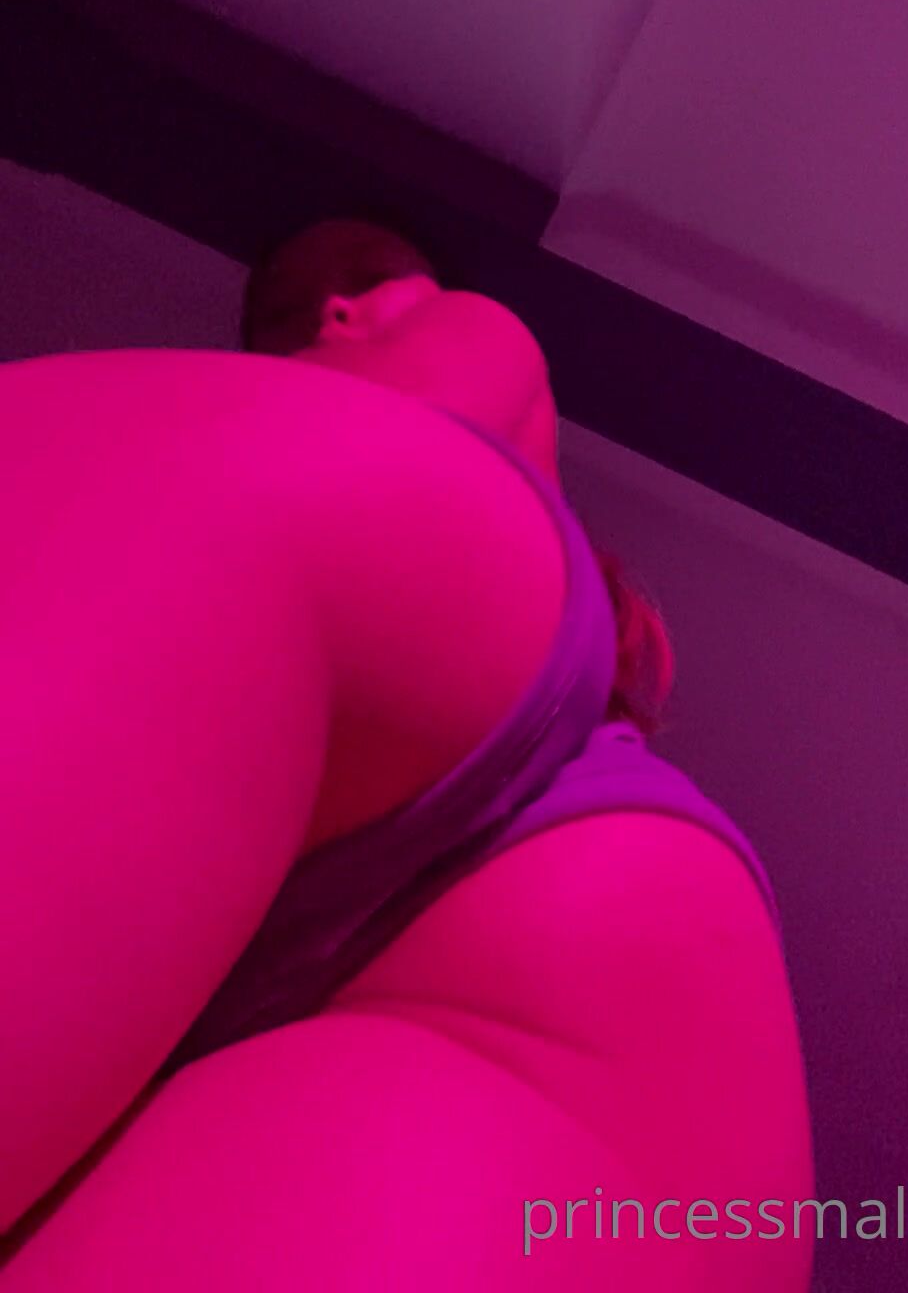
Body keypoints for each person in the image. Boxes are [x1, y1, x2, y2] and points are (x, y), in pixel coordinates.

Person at [0, 218, 813, 1290]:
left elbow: (357, 459)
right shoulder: (578, 611)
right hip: (613, 929)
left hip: (377, 633)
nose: (338, 308)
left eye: (349, 290)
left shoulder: (448, 337)